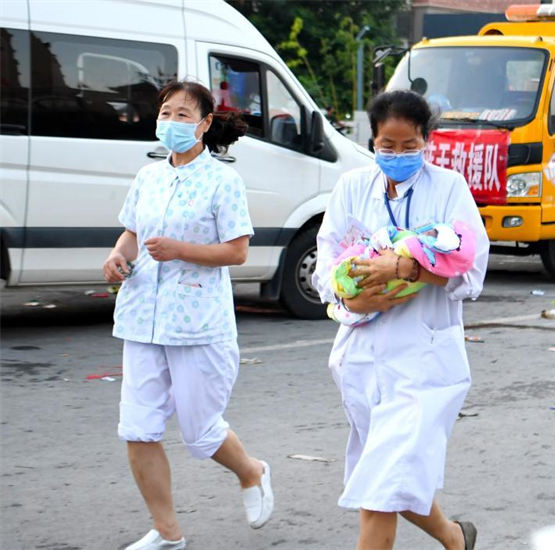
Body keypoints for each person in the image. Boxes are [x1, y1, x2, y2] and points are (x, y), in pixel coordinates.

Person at [312, 90, 489, 550]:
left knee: (381, 488)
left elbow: (472, 272)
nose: (397, 154)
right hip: (362, 357)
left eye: (409, 146)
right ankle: (455, 538)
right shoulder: (352, 188)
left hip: (425, 365)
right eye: (386, 146)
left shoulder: (448, 188)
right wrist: (352, 298)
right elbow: (324, 263)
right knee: (391, 479)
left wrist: (412, 267)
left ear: (426, 141)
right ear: (371, 140)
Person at [102, 81, 273, 550]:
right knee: (137, 428)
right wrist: (118, 256)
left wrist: (182, 251)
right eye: (166, 112)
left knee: (200, 433)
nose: (171, 122)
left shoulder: (223, 181)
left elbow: (237, 252)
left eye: (183, 115)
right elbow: (131, 234)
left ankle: (252, 471)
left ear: (203, 125)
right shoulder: (147, 177)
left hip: (196, 321)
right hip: (141, 316)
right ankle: (167, 532)